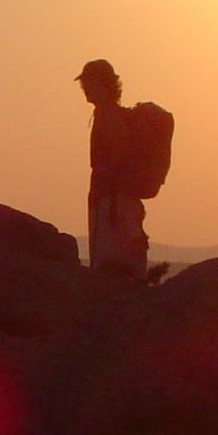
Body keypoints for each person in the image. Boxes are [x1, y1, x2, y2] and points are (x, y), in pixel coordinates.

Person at [79, 59, 154, 282]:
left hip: (111, 200)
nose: (84, 89)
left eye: (88, 83)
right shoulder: (111, 112)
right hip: (117, 198)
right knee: (124, 257)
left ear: (101, 84)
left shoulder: (107, 113)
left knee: (108, 264)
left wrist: (110, 175)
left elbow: (120, 139)